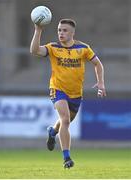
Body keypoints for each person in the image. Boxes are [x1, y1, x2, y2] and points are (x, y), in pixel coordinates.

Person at [30, 18, 106, 169]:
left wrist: (101, 82)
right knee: (65, 120)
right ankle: (67, 158)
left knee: (65, 121)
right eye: (59, 30)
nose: (61, 33)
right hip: (57, 89)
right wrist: (38, 30)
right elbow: (35, 51)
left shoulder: (83, 48)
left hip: (76, 93)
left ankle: (53, 132)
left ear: (72, 33)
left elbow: (97, 63)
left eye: (65, 30)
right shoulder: (53, 47)